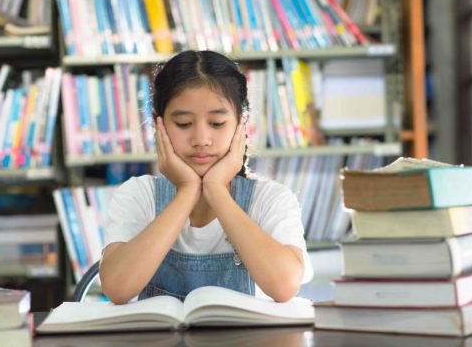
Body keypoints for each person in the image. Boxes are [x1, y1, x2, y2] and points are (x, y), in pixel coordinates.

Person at [100, 50, 313, 305]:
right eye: (184, 124)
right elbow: (117, 287)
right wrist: (187, 191)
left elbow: (284, 286)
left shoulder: (271, 199)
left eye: (217, 123)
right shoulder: (137, 195)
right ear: (159, 126)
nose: (201, 139)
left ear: (240, 125)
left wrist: (217, 191)